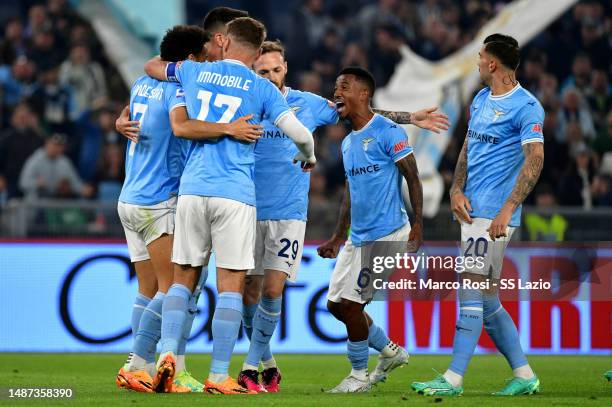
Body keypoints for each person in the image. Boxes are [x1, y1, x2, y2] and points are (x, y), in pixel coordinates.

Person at [239, 40, 449, 393]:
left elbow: (362, 111)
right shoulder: (243, 104)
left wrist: (410, 117)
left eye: (276, 70)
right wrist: (339, 235)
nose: (271, 78)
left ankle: (343, 375)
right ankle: (272, 361)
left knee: (281, 291)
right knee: (272, 295)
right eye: (263, 72)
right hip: (248, 209)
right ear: (252, 72)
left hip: (292, 214)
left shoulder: (305, 104)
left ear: (285, 69)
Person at [143, 16, 316, 395]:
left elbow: (153, 67)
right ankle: (220, 373)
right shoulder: (261, 88)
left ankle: (167, 354)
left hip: (191, 190)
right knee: (232, 285)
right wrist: (309, 155)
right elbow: (300, 134)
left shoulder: (193, 71)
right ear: (257, 50)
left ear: (226, 42)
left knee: (183, 277)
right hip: (235, 194)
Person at [114, 24, 261, 394]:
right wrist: (229, 129)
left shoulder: (141, 83)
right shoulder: (179, 88)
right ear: (192, 58)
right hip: (158, 200)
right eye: (205, 53)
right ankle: (144, 366)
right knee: (175, 287)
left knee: (148, 289)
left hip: (129, 197)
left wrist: (120, 120)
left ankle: (146, 367)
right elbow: (182, 127)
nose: (211, 57)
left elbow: (136, 103)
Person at [412, 33, 544, 397]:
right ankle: (524, 374)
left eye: (481, 55)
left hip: (494, 216)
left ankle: (453, 379)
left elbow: (535, 159)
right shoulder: (481, 99)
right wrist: (455, 189)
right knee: (486, 300)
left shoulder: (526, 106)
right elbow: (468, 150)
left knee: (469, 288)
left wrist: (508, 209)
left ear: (493, 64)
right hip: (472, 211)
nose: (477, 61)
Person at [317, 66, 424, 393]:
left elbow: (412, 176)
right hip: (357, 237)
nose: (337, 92)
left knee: (352, 306)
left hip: (387, 234)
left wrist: (417, 224)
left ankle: (359, 376)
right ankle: (390, 352)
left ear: (364, 94)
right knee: (336, 306)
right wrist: (338, 235)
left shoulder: (389, 131)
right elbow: (351, 193)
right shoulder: (348, 144)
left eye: (344, 86)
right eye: (336, 87)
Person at [19, 133, 92, 200]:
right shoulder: (35, 160)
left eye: (60, 146)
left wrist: (83, 189)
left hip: (56, 202)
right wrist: (36, 183)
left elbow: (74, 183)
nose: (57, 148)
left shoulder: (64, 162)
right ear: (47, 143)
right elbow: (23, 183)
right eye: (55, 145)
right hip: (37, 201)